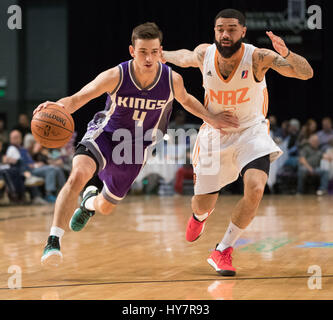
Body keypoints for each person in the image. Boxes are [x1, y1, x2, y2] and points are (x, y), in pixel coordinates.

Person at [37, 22, 239, 267]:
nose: (149, 58)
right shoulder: (116, 76)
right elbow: (79, 98)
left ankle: (89, 202)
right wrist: (56, 107)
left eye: (154, 52)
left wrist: (213, 118)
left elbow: (186, 101)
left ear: (160, 51)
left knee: (105, 207)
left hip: (134, 150)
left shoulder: (171, 79)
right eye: (143, 52)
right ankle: (53, 241)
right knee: (78, 174)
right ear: (132, 51)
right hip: (105, 135)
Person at [162, 8, 313, 276]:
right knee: (203, 204)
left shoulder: (257, 57)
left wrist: (287, 53)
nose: (225, 34)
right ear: (215, 31)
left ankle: (222, 249)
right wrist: (160, 54)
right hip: (214, 134)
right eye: (220, 28)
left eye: (232, 29)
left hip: (251, 131)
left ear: (243, 31)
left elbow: (305, 73)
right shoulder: (204, 54)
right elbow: (183, 57)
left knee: (255, 188)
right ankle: (200, 216)